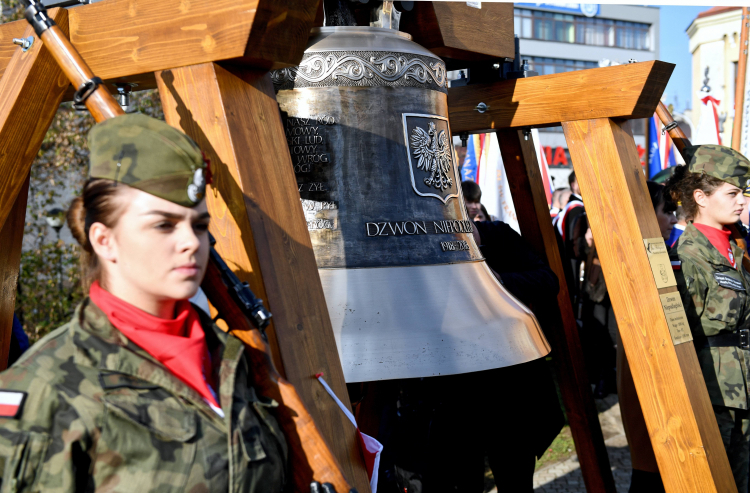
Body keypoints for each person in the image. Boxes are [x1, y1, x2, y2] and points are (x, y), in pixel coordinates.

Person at [0, 114, 290, 491]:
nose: (191, 242)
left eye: (199, 226)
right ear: (105, 240)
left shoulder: (234, 360)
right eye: (163, 225)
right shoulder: (48, 386)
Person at [665, 145, 750, 492]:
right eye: (732, 193)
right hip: (713, 391)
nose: (741, 201)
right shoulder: (687, 256)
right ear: (700, 197)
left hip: (743, 388)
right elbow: (681, 330)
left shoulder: (738, 249)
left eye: (743, 193)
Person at [616, 181, 675, 492]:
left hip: (653, 368)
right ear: (644, 213)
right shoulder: (637, 258)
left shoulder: (655, 253)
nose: (674, 219)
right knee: (652, 470)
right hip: (650, 372)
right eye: (667, 211)